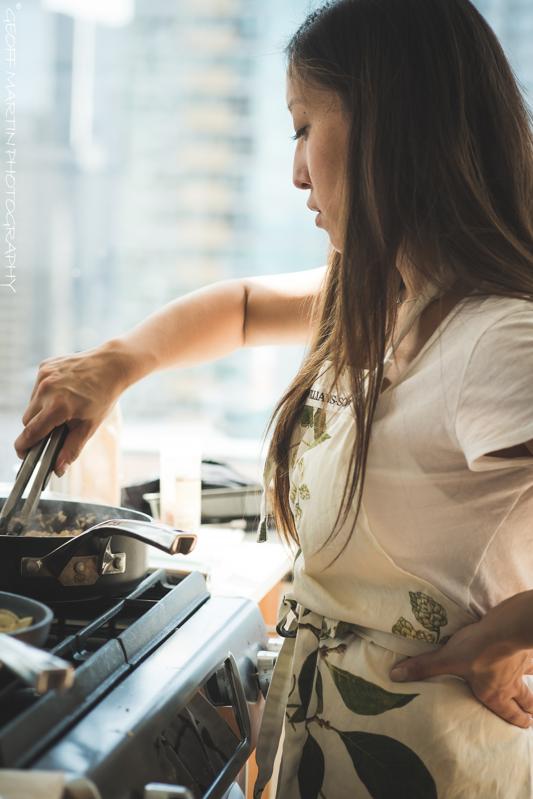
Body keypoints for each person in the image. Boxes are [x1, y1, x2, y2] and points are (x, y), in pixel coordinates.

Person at [14, 0, 533, 795]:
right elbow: (247, 307)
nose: (294, 170)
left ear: (390, 129)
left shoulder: (495, 340)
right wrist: (115, 363)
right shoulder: (394, 295)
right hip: (339, 744)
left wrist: (509, 631)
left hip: (432, 764)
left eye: (302, 127)